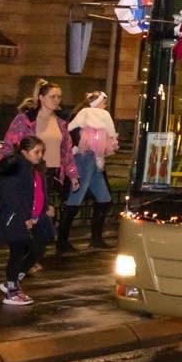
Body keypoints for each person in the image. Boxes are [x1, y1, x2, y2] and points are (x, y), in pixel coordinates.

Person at [0, 80, 79, 266]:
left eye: (59, 97)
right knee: (30, 215)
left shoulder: (61, 123)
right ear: (41, 98)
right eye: (52, 97)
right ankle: (24, 258)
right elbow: (9, 145)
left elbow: (67, 151)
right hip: (31, 173)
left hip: (52, 174)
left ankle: (32, 257)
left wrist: (72, 174)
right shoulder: (25, 120)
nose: (57, 100)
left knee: (45, 217)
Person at [0, 136, 55, 306]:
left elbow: (39, 192)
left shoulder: (35, 169)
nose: (40, 156)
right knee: (17, 252)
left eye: (42, 152)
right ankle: (12, 290)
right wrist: (24, 216)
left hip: (33, 217)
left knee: (38, 249)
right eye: (36, 152)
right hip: (16, 217)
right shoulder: (16, 168)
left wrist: (46, 207)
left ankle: (13, 281)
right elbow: (12, 195)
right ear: (24, 152)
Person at [63, 91, 119, 251]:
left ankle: (94, 238)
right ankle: (63, 240)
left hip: (92, 158)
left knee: (104, 199)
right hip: (86, 158)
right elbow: (111, 129)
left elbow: (69, 128)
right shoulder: (96, 115)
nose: (106, 105)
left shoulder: (82, 114)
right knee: (77, 197)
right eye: (104, 101)